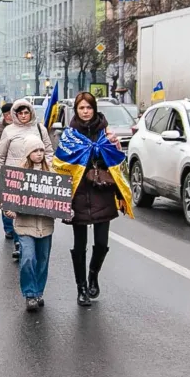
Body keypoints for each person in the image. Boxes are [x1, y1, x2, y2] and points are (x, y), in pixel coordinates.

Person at [59, 92, 132, 307]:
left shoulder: (106, 132)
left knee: (101, 243)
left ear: (94, 109)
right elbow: (61, 164)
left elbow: (118, 163)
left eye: (89, 108)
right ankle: (81, 288)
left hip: (102, 191)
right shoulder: (69, 134)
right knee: (79, 244)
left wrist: (113, 147)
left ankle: (93, 275)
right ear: (76, 110)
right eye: (81, 108)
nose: (85, 111)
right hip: (78, 193)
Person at [0, 99, 55, 261]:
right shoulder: (9, 131)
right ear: (15, 114)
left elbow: (49, 151)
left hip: (35, 177)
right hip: (14, 178)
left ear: (31, 113)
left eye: (26, 112)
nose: (23, 116)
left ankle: (30, 241)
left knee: (31, 210)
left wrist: (48, 171)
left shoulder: (39, 129)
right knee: (14, 210)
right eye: (20, 113)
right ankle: (19, 242)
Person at [2, 135, 55, 311]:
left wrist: (67, 211)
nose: (39, 154)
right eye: (35, 151)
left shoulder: (52, 175)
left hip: (45, 226)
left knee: (42, 260)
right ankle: (30, 294)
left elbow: (60, 199)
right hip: (25, 225)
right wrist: (9, 210)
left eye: (41, 150)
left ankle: (39, 291)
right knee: (28, 258)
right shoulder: (18, 175)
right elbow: (9, 198)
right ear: (27, 153)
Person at [0, 101, 17, 245]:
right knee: (5, 200)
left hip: (19, 170)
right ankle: (8, 229)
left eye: (10, 113)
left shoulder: (21, 127)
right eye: (5, 114)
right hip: (4, 171)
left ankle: (19, 227)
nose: (8, 116)